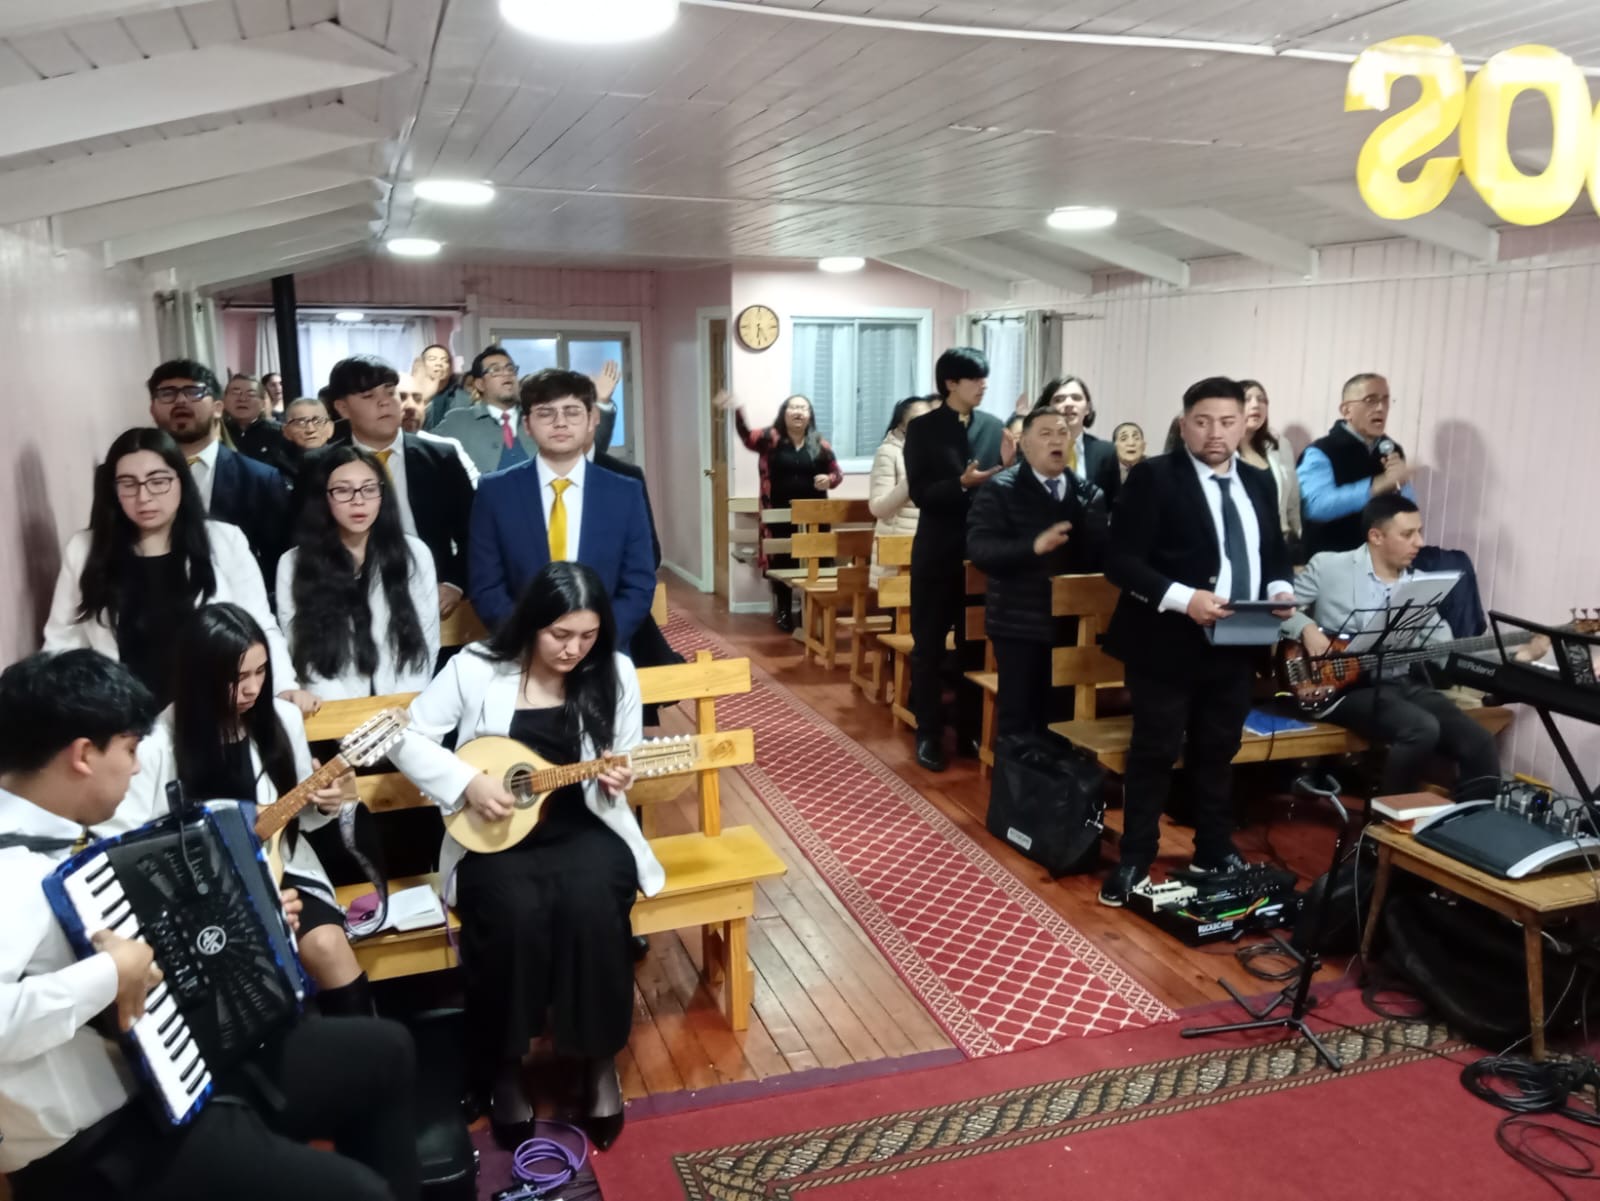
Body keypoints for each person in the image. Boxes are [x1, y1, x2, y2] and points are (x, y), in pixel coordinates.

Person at [0, 649, 420, 1201]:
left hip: (181, 1068)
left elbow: (144, 938)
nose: (136, 767)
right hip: (104, 1139)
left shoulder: (75, 835)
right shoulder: (11, 871)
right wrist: (108, 975)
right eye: (129, 749)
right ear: (83, 755)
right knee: (358, 1194)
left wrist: (250, 918)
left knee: (385, 1051)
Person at [387, 563, 660, 1151]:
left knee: (593, 904)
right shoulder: (474, 668)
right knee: (511, 912)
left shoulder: (613, 671)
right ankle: (505, 1068)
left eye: (587, 636)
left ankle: (597, 1061)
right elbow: (403, 737)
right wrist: (466, 782)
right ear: (533, 623)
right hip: (495, 834)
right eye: (560, 635)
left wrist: (619, 778)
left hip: (584, 828)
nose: (573, 650)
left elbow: (625, 756)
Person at [1098, 377, 1296, 907]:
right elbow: (1121, 562)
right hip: (1165, 639)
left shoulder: (1257, 481)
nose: (1215, 433)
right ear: (1184, 424)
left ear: (1244, 424)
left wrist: (1280, 590)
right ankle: (1136, 857)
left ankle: (1213, 847)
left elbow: (1273, 553)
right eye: (1203, 422)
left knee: (1219, 748)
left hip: (1238, 638)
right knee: (1156, 749)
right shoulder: (1155, 477)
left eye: (1227, 422)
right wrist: (1185, 599)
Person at [117, 604, 371, 1011]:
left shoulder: (283, 719)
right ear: (200, 678)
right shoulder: (156, 745)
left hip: (280, 868)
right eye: (237, 678)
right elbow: (130, 846)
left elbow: (299, 820)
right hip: (197, 896)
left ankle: (369, 1047)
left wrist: (326, 805)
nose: (253, 689)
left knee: (326, 943)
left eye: (261, 671)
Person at [42, 427, 308, 713]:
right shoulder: (85, 549)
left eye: (158, 482)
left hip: (211, 710)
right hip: (124, 719)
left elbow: (258, 623)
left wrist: (283, 685)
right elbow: (62, 641)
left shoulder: (223, 541)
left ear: (181, 480)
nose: (143, 496)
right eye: (128, 484)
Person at [1281, 494, 1501, 800]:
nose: (1419, 542)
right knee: (1421, 728)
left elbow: (1447, 650)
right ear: (1376, 536)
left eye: (1419, 532)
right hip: (1342, 688)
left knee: (1479, 741)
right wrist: (1305, 628)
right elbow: (1277, 609)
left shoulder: (1422, 584)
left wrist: (1514, 657)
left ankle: (1470, 821)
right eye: (1408, 534)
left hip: (1399, 683)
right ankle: (1389, 821)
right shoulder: (1329, 566)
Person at [469, 369, 656, 641]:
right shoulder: (495, 492)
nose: (560, 422)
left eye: (572, 412)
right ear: (527, 424)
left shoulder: (625, 492)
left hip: (604, 648)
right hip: (521, 648)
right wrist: (531, 642)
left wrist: (594, 640)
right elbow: (486, 586)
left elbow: (639, 585)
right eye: (546, 413)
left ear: (591, 419)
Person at [967, 407, 1109, 739]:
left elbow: (1100, 558)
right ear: (1025, 444)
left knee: (1061, 718)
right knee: (1019, 718)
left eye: (1062, 433)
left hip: (1072, 623)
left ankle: (1057, 771)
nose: (1056, 440)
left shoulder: (1089, 494)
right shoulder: (1000, 489)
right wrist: (1032, 546)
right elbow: (980, 550)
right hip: (1018, 622)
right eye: (1045, 434)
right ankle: (1015, 771)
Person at [903, 347, 1005, 771]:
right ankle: (928, 733)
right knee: (928, 646)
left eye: (985, 378)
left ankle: (968, 730)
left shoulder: (994, 426)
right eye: (975, 378)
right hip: (937, 551)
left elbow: (1004, 484)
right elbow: (920, 493)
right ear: (950, 383)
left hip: (981, 554)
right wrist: (961, 484)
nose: (983, 385)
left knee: (973, 646)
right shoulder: (923, 429)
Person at [277, 447, 440, 700]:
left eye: (369, 489)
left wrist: (402, 707)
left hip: (404, 706)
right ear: (324, 497)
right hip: (331, 708)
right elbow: (304, 652)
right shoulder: (293, 563)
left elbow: (424, 640)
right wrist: (347, 718)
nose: (358, 500)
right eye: (343, 490)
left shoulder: (414, 554)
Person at [329, 355, 475, 620]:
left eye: (390, 391)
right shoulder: (323, 466)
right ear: (342, 408)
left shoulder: (440, 458)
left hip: (431, 597)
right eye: (368, 396)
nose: (385, 402)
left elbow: (474, 532)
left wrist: (456, 583)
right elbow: (309, 539)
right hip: (350, 603)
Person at [147, 359, 290, 587]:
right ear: (153, 409)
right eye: (167, 393)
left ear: (218, 408)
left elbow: (279, 565)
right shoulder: (125, 478)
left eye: (194, 392)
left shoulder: (260, 479)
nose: (181, 400)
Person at [717, 390, 844, 631]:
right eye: (793, 407)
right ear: (784, 413)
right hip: (777, 514)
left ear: (810, 415)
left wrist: (829, 480)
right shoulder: (770, 439)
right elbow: (747, 437)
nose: (798, 412)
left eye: (803, 408)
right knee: (781, 562)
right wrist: (737, 411)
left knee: (815, 563)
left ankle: (809, 611)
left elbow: (837, 473)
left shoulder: (819, 444)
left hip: (814, 517)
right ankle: (784, 610)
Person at [1298, 372, 1415, 557]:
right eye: (1371, 400)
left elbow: (1408, 511)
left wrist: (1402, 486)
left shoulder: (1391, 450)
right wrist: (1375, 487)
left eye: (1385, 400)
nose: (1380, 408)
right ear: (1346, 411)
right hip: (1331, 561)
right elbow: (1315, 507)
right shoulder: (1322, 451)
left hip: (1380, 561)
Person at [433, 345, 538, 475]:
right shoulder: (457, 421)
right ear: (480, 384)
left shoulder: (536, 417)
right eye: (495, 370)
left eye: (510, 369)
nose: (507, 374)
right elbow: (420, 449)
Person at [868, 395, 934, 583]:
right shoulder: (889, 452)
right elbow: (878, 508)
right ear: (901, 425)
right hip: (897, 553)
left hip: (929, 546)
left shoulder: (936, 451)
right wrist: (911, 480)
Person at [1239, 379, 1303, 561]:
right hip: (1241, 544)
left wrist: (1297, 536)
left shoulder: (1279, 445)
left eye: (1262, 400)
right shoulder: (1223, 450)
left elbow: (1292, 502)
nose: (1256, 405)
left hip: (1279, 542)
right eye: (1247, 399)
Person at [1036, 375, 1120, 500]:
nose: (1068, 404)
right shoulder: (1033, 450)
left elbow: (1113, 504)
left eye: (1076, 398)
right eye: (1059, 399)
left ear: (1087, 408)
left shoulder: (1106, 453)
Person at [223, 373, 293, 476]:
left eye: (251, 394)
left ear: (263, 404)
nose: (242, 399)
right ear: (224, 400)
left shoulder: (280, 433)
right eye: (235, 393)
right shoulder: (215, 432)